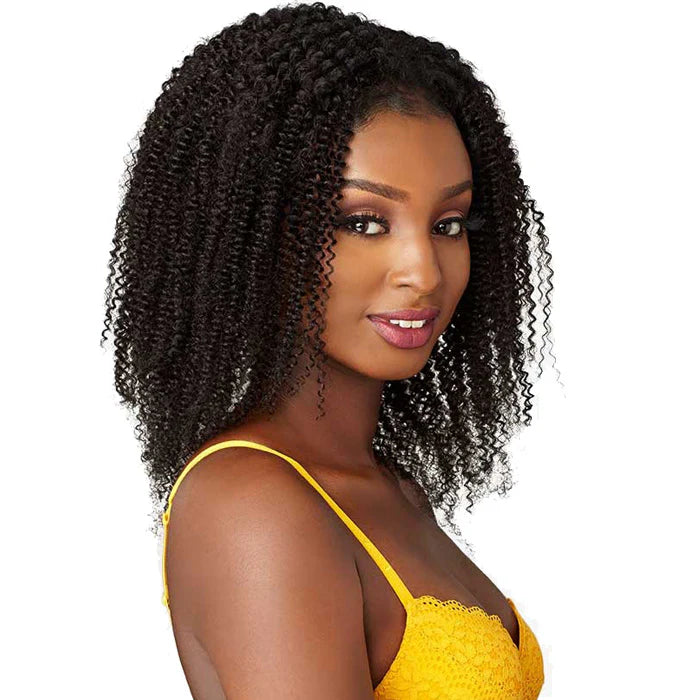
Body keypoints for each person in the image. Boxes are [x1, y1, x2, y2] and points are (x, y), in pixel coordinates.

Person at [101, 3, 553, 698]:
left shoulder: (391, 489)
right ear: (249, 231)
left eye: (448, 223)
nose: (424, 272)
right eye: (364, 222)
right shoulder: (252, 505)